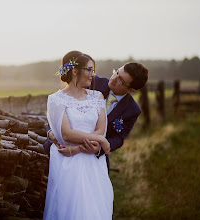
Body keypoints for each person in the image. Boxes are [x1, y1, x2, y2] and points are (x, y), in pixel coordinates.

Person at [43, 51, 114, 219]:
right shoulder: (56, 100)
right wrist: (100, 140)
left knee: (96, 207)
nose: (93, 74)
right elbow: (66, 134)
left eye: (93, 70)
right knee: (71, 208)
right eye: (89, 70)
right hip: (67, 160)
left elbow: (100, 129)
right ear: (75, 71)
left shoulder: (97, 96)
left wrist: (80, 148)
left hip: (92, 160)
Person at [44, 61, 149, 171]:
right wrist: (51, 131)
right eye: (116, 72)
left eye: (121, 81)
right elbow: (59, 103)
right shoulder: (91, 81)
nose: (113, 78)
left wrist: (98, 148)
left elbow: (118, 138)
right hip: (62, 148)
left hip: (93, 156)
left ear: (131, 90)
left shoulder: (132, 110)